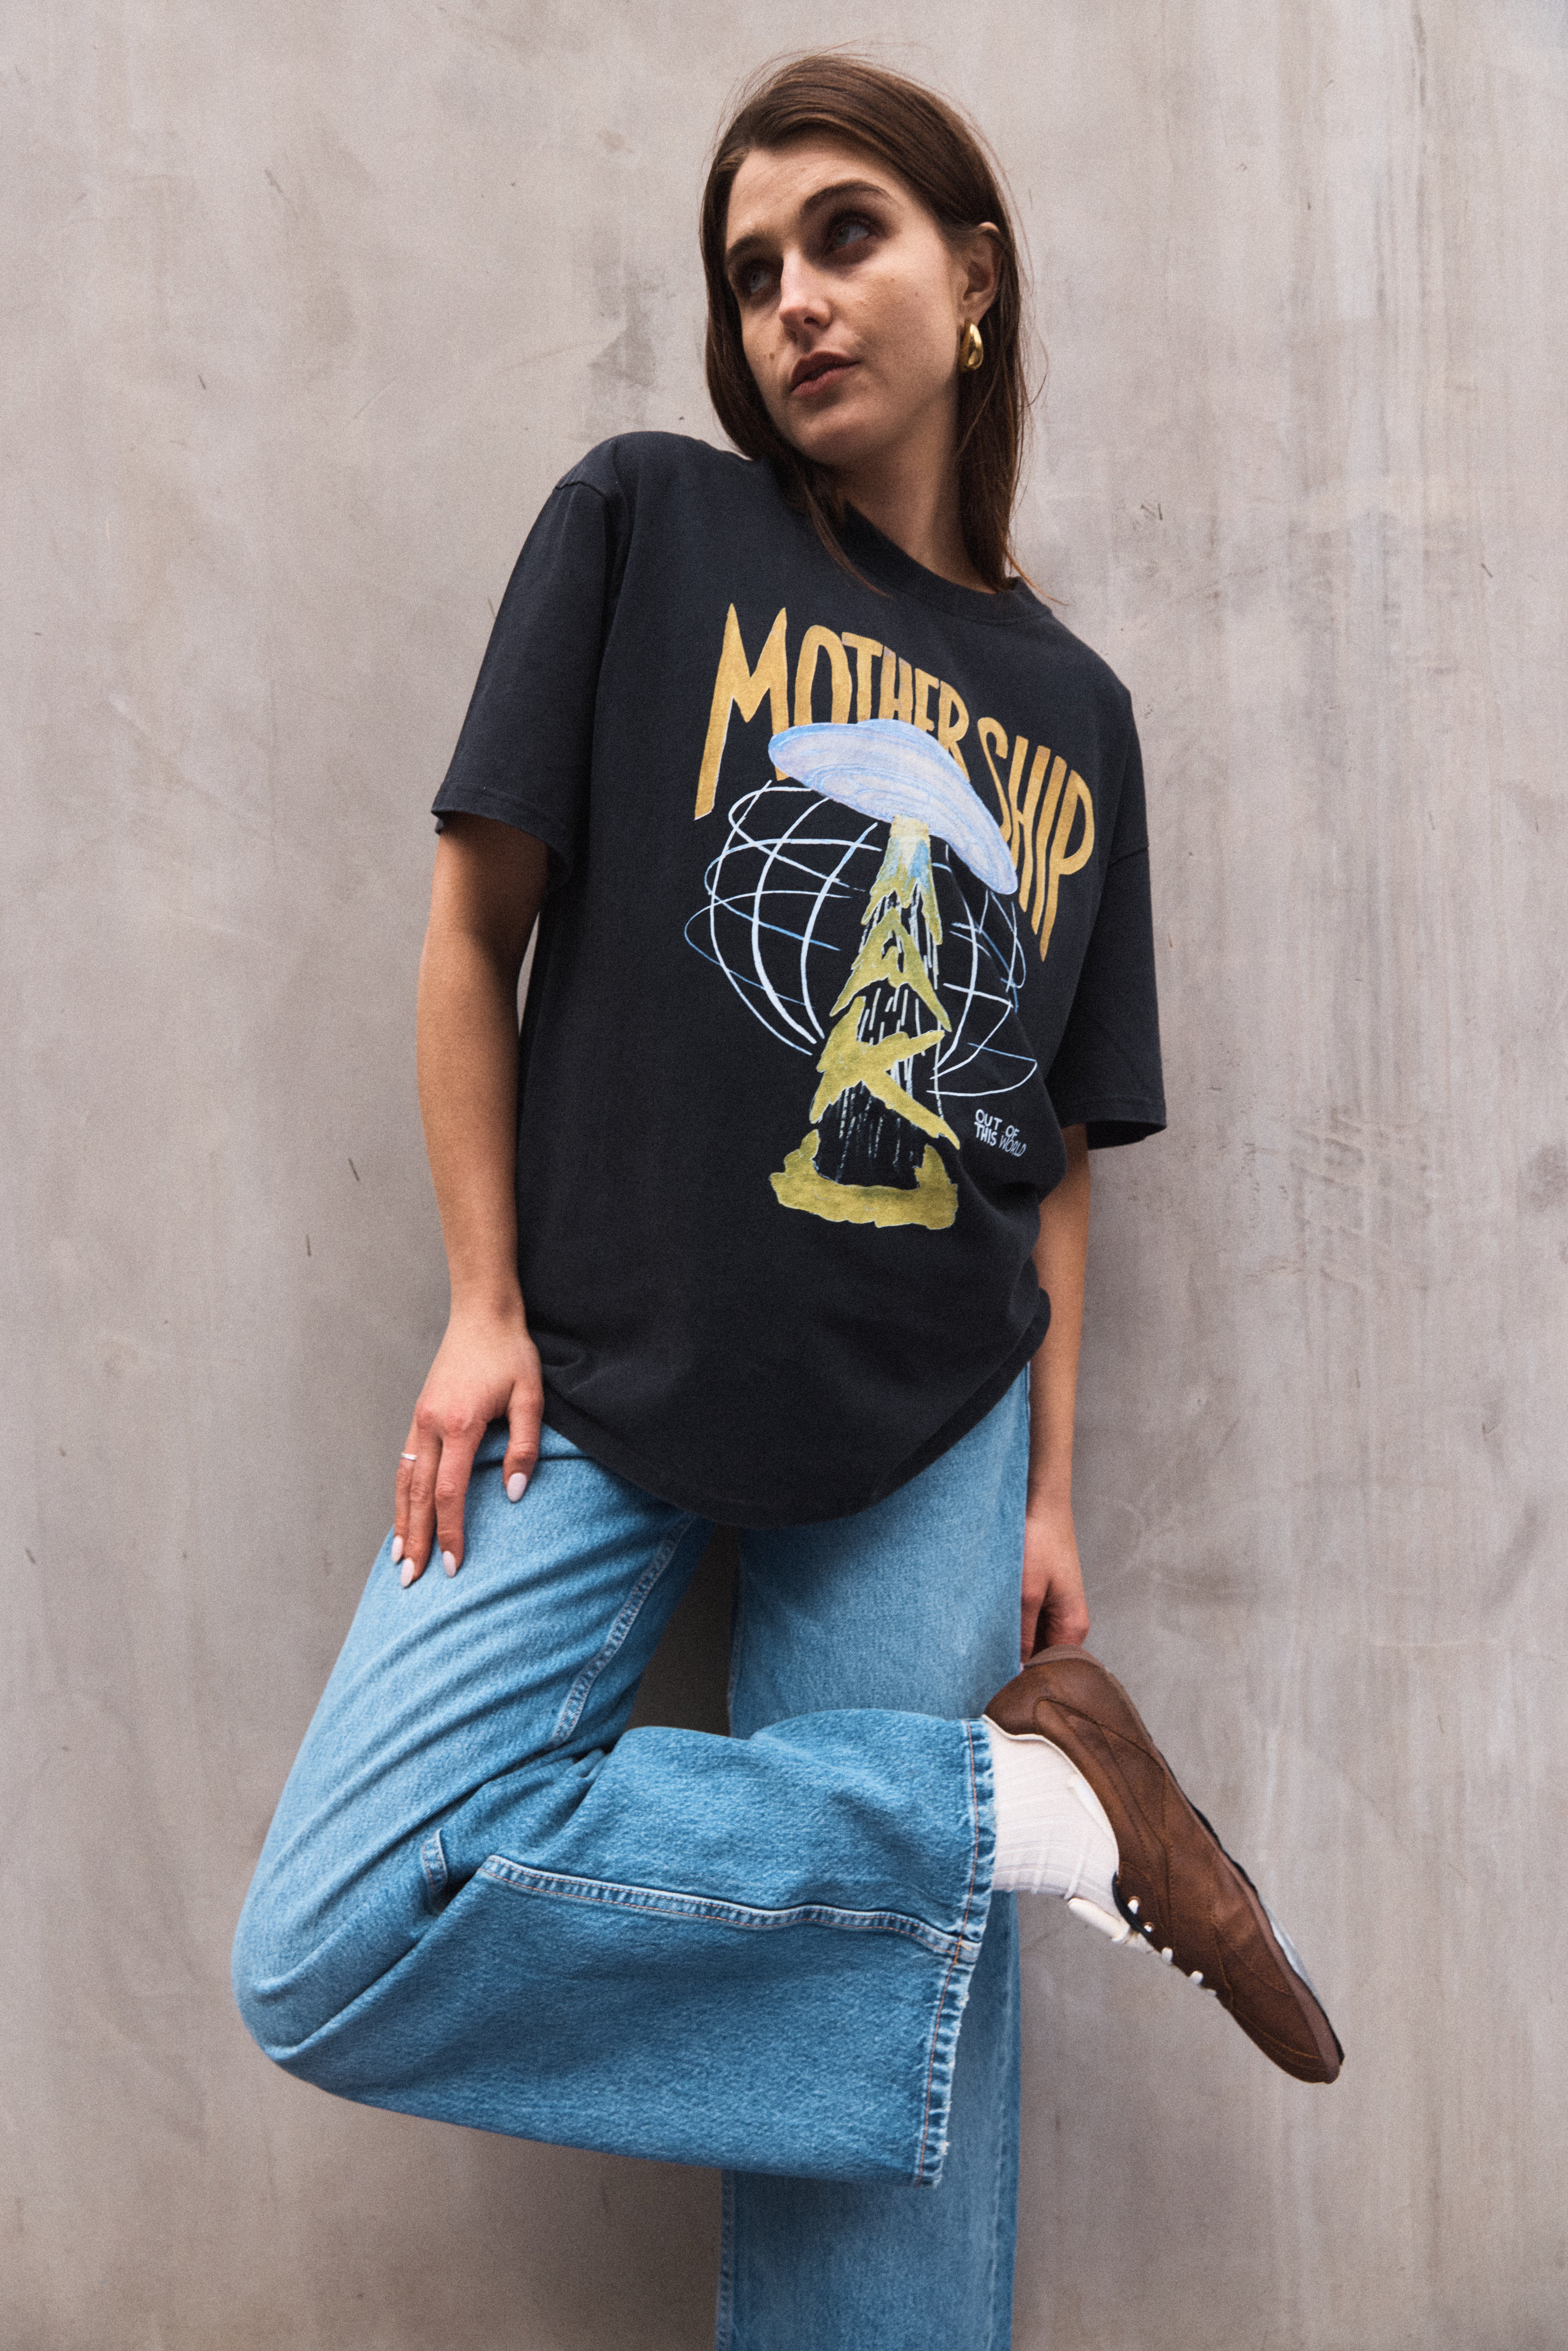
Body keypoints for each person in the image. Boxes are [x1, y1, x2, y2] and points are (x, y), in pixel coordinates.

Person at [233, 53, 1340, 2349]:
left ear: (976, 278)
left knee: (892, 2089)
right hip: (593, 1373)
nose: (793, 304)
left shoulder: (1075, 708)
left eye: (846, 237)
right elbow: (472, 927)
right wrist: (478, 1299)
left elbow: (1048, 1147)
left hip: (928, 1432)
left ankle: (1005, 1827)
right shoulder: (646, 520)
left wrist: (1048, 1487)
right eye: (751, 273)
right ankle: (1031, 1818)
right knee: (332, 1929)